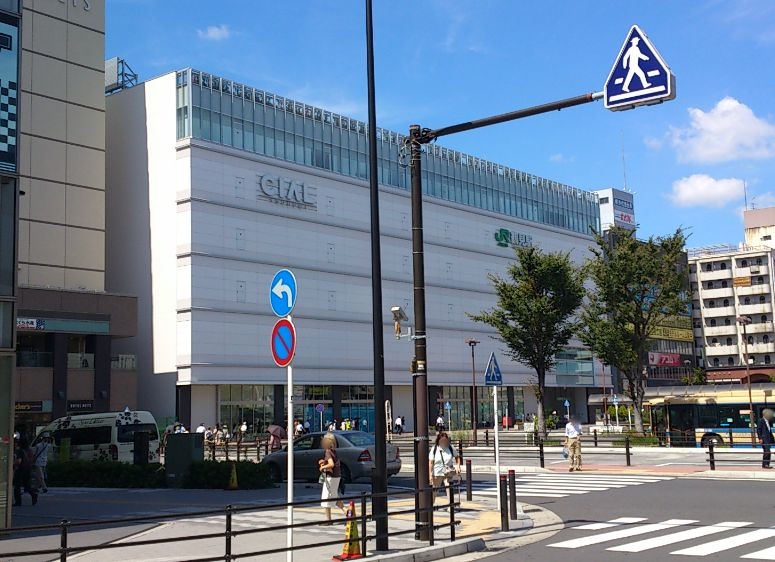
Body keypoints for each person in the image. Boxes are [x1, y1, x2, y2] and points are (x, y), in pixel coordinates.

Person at [318, 433, 345, 524]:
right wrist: (324, 461)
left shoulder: (328, 452)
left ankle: (328, 520)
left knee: (326, 497)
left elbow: (331, 464)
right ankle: (348, 512)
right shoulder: (333, 451)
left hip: (331, 477)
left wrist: (323, 467)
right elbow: (333, 462)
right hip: (336, 476)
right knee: (334, 496)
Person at [428, 432, 460, 503]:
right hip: (437, 473)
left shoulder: (450, 447)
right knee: (434, 491)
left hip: (448, 472)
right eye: (442, 441)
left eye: (445, 440)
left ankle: (450, 506)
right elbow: (431, 462)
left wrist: (458, 466)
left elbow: (457, 457)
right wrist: (430, 474)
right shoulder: (434, 449)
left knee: (449, 490)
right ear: (438, 441)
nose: (444, 442)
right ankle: (431, 505)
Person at [13, 437, 38, 506]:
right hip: (27, 469)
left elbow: (19, 461)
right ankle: (33, 494)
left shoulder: (20, 451)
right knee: (26, 484)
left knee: (17, 486)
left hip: (20, 469)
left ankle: (18, 501)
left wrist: (13, 466)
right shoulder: (28, 450)